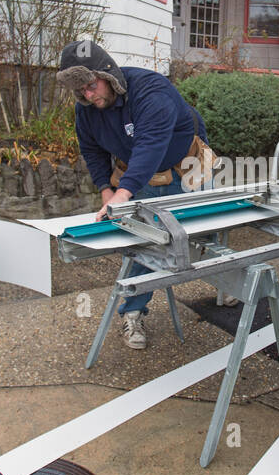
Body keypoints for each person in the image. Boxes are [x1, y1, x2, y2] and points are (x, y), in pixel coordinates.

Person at [56, 40, 211, 351]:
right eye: (81, 91)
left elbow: (151, 144)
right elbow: (92, 150)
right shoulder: (86, 109)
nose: (88, 95)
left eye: (91, 85)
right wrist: (106, 191)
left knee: (206, 232)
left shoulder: (151, 90)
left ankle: (225, 281)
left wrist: (123, 193)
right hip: (142, 175)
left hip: (188, 168)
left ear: (108, 74)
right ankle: (133, 312)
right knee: (143, 243)